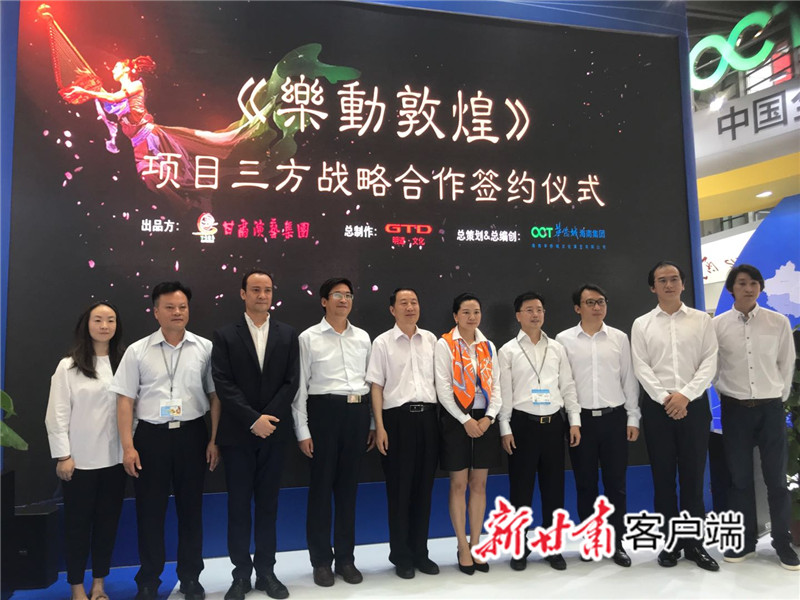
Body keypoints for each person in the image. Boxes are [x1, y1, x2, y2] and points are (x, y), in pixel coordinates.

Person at [111, 281, 220, 600]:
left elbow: (215, 396)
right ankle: (148, 579)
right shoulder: (137, 350)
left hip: (192, 435)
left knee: (191, 511)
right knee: (150, 512)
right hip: (151, 438)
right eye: (170, 307)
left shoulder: (205, 348)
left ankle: (191, 578)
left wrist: (214, 439)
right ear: (156, 311)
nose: (177, 312)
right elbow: (125, 401)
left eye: (182, 307)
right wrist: (128, 447)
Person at [212, 269, 300, 600]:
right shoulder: (225, 335)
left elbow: (291, 381)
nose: (262, 295)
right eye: (255, 290)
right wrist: (252, 419)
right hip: (238, 435)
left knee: (268, 506)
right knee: (238, 507)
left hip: (274, 433)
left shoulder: (287, 334)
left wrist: (268, 419)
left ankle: (266, 572)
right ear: (243, 293)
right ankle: (240, 576)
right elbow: (223, 382)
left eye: (267, 290)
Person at [631, 261, 719, 572]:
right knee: (664, 478)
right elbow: (641, 366)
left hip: (693, 406)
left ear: (683, 283)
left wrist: (686, 395)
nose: (669, 285)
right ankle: (671, 543)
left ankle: (695, 544)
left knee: (693, 478)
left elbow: (710, 361)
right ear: (652, 287)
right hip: (658, 408)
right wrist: (665, 398)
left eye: (674, 279)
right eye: (662, 280)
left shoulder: (702, 320)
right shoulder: (641, 324)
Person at [713, 264, 799, 570]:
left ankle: (782, 543)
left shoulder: (777, 322)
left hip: (770, 408)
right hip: (735, 409)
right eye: (742, 283)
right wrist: (726, 393)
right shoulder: (718, 325)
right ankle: (745, 541)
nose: (749, 288)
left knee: (776, 479)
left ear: (760, 287)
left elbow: (786, 363)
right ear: (731, 289)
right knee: (739, 480)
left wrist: (778, 396)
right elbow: (713, 367)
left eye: (754, 283)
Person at [292, 277, 375, 587]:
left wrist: (371, 423)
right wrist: (302, 430)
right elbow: (300, 388)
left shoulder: (363, 337)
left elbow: (371, 383)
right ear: (324, 301)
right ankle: (321, 562)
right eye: (337, 295)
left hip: (357, 415)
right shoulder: (308, 338)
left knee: (348, 492)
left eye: (348, 295)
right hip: (323, 415)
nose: (344, 299)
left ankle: (345, 559)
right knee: (320, 492)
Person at [45, 302, 127, 600]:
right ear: (86, 324)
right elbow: (56, 414)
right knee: (78, 528)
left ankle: (99, 585)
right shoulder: (69, 366)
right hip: (79, 462)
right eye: (98, 320)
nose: (104, 326)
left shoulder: (124, 363)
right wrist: (63, 456)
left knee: (107, 526)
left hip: (116, 461)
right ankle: (77, 587)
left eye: (110, 320)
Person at [555, 284, 640, 568]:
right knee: (585, 484)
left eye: (601, 301)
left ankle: (617, 543)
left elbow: (629, 379)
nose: (597, 307)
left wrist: (633, 417)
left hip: (615, 419)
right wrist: (573, 420)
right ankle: (591, 540)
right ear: (577, 308)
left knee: (616, 485)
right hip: (581, 422)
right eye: (590, 302)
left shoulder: (619, 338)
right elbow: (564, 383)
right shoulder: (564, 340)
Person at [498, 291, 581, 571]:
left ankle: (552, 547)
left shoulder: (556, 348)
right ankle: (519, 548)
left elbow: (567, 385)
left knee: (554, 489)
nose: (536, 314)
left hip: (554, 425)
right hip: (522, 425)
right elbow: (504, 392)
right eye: (529, 310)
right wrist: (505, 426)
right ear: (518, 315)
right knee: (520, 490)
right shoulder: (508, 351)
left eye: (540, 309)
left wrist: (574, 420)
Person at [367, 288, 440, 579]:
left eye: (414, 302)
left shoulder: (432, 340)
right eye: (404, 303)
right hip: (397, 421)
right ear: (392, 310)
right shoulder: (382, 342)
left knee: (424, 490)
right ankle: (401, 556)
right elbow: (376, 386)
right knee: (399, 491)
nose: (410, 307)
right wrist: (379, 426)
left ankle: (421, 552)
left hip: (429, 420)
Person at [434, 292, 502, 575]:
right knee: (459, 484)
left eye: (476, 312)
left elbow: (496, 387)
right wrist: (465, 420)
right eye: (466, 312)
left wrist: (489, 417)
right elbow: (443, 388)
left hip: (484, 419)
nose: (472, 317)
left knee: (479, 484)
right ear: (455, 316)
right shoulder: (445, 344)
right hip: (456, 420)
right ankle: (462, 545)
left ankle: (476, 544)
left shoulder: (488, 345)